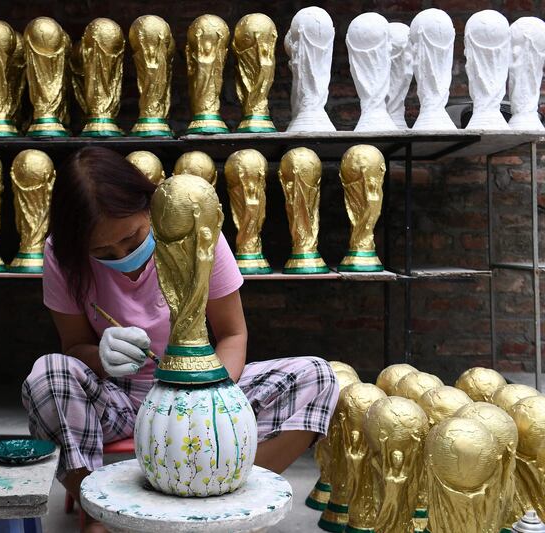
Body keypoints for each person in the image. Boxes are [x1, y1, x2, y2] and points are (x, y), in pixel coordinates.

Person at [21, 146, 339, 532]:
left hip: (204, 394)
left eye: (133, 238)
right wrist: (101, 356)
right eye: (103, 252)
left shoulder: (196, 233)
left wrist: (215, 398)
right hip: (119, 401)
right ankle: (102, 513)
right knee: (48, 376)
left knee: (318, 377)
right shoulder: (61, 254)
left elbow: (234, 334)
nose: (123, 255)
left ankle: (223, 500)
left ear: (149, 206)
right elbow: (73, 348)